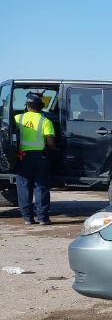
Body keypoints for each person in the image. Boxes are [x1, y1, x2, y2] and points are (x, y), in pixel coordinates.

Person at [14, 92, 55, 225]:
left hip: (23, 157)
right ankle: (42, 218)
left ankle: (27, 218)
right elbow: (50, 142)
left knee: (24, 186)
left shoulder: (17, 118)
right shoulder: (46, 121)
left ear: (28, 106)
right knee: (41, 186)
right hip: (40, 157)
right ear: (41, 107)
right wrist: (55, 148)